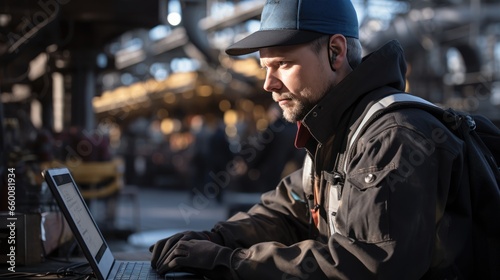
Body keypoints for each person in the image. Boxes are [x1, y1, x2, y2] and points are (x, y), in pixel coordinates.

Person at [150, 0, 480, 279]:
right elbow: (287, 212)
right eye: (265, 67)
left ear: (335, 52)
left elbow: (368, 266)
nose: (268, 84)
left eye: (282, 64)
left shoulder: (394, 136)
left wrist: (227, 261)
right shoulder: (335, 134)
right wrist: (211, 239)